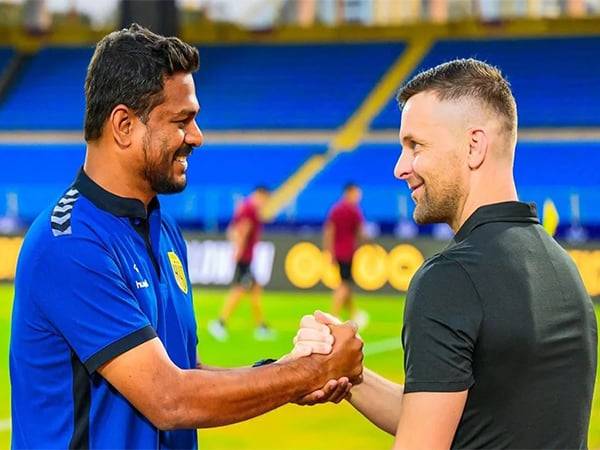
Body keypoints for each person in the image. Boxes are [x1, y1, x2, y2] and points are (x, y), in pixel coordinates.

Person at [9, 24, 362, 450]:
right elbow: (168, 398)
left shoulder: (163, 228)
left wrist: (281, 371)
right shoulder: (68, 243)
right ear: (123, 125)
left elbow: (182, 369)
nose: (197, 136)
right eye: (182, 120)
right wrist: (309, 373)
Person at [294, 58, 597, 449]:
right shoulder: (562, 266)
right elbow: (462, 419)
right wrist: (350, 373)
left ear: (474, 146)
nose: (400, 168)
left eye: (414, 145)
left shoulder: (450, 278)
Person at [208, 186, 275, 341]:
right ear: (260, 195)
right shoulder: (250, 209)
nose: (265, 203)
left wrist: (236, 245)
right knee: (239, 289)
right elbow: (244, 229)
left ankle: (261, 326)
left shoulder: (244, 207)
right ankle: (220, 323)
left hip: (246, 255)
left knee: (255, 289)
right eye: (265, 199)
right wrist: (239, 249)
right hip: (245, 256)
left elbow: (232, 230)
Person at [323, 182, 368, 327]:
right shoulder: (354, 210)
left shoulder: (336, 209)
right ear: (350, 192)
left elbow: (329, 231)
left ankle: (354, 313)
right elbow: (361, 232)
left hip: (337, 251)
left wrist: (329, 251)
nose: (358, 197)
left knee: (346, 283)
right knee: (344, 284)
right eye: (356, 193)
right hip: (348, 252)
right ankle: (333, 316)